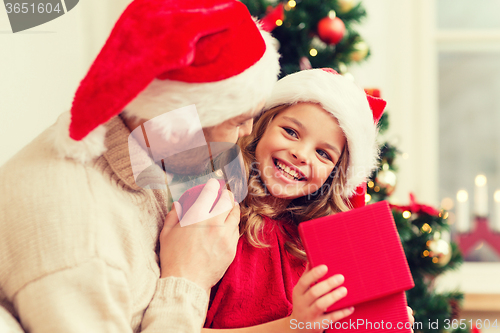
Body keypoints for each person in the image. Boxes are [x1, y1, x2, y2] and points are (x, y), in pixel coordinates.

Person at [0, 0, 280, 332]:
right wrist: (188, 280)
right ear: (177, 120)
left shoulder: (150, 139)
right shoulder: (82, 246)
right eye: (238, 120)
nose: (248, 131)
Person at [166, 68, 413, 332]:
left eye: (323, 153)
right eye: (291, 132)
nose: (301, 154)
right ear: (261, 127)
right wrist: (293, 326)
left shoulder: (321, 251)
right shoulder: (209, 210)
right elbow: (173, 325)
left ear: (334, 176)